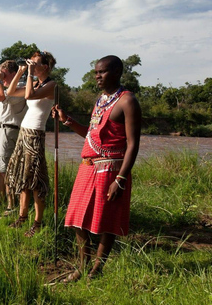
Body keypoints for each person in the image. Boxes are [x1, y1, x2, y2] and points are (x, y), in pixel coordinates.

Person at [52, 55, 141, 281]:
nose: (97, 77)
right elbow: (90, 135)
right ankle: (82, 266)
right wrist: (68, 120)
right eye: (95, 73)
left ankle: (96, 270)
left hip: (111, 170)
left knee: (106, 221)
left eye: (102, 72)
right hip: (87, 167)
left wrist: (120, 179)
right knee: (76, 218)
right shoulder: (101, 100)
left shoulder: (127, 101)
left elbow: (133, 145)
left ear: (118, 72)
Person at [4, 51, 58, 237]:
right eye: (31, 63)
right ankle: (22, 217)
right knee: (23, 178)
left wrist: (28, 73)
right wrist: (20, 72)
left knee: (35, 180)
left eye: (35, 63)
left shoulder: (51, 85)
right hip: (23, 134)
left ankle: (38, 222)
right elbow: (10, 92)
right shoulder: (34, 82)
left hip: (35, 135)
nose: (32, 66)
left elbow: (29, 96)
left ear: (45, 67)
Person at [0, 60, 27, 215]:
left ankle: (11, 206)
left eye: (4, 74)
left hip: (9, 130)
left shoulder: (20, 88)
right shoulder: (3, 89)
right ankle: (2, 202)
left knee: (7, 170)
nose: (2, 77)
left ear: (13, 73)